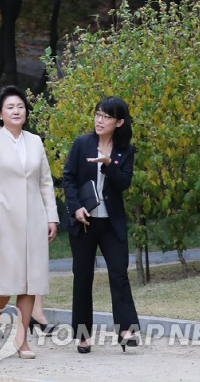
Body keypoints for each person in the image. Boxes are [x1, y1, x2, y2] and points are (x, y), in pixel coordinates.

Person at [0, 85, 59, 359]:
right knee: (2, 281)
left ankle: (22, 340)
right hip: (2, 220)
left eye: (20, 106)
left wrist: (51, 217)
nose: (16, 111)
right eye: (10, 107)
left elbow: (45, 182)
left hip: (34, 220)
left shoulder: (35, 141)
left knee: (30, 282)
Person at [62, 96, 140, 353]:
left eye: (106, 116)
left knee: (119, 274)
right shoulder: (82, 143)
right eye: (97, 114)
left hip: (111, 223)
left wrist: (108, 164)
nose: (99, 120)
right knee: (83, 277)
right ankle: (83, 335)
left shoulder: (125, 150)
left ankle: (127, 330)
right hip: (84, 223)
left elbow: (124, 183)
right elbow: (68, 178)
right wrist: (76, 208)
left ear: (119, 122)